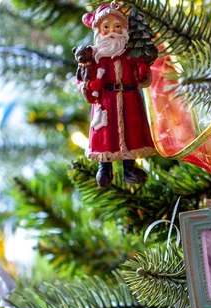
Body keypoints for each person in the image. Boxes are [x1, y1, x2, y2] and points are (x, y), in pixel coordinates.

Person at [79, 4, 157, 187]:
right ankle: (104, 168)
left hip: (130, 99)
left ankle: (129, 168)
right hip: (105, 101)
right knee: (105, 135)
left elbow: (142, 76)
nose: (112, 31)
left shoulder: (129, 54)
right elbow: (82, 80)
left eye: (117, 26)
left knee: (132, 132)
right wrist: (91, 85)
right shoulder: (94, 57)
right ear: (98, 30)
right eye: (106, 27)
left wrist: (142, 71)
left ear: (125, 29)